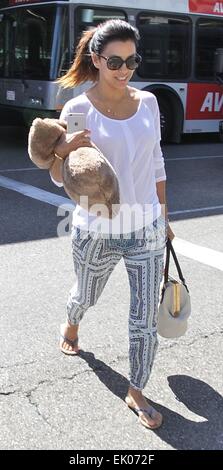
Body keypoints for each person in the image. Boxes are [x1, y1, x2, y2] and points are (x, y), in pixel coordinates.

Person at [49, 19, 175, 430]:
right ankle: (73, 320)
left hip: (146, 228)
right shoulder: (77, 109)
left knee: (143, 318)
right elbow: (61, 176)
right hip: (95, 228)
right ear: (97, 60)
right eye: (115, 62)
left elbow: (156, 160)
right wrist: (62, 151)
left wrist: (165, 215)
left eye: (132, 61)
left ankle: (136, 390)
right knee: (86, 293)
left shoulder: (150, 103)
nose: (124, 70)